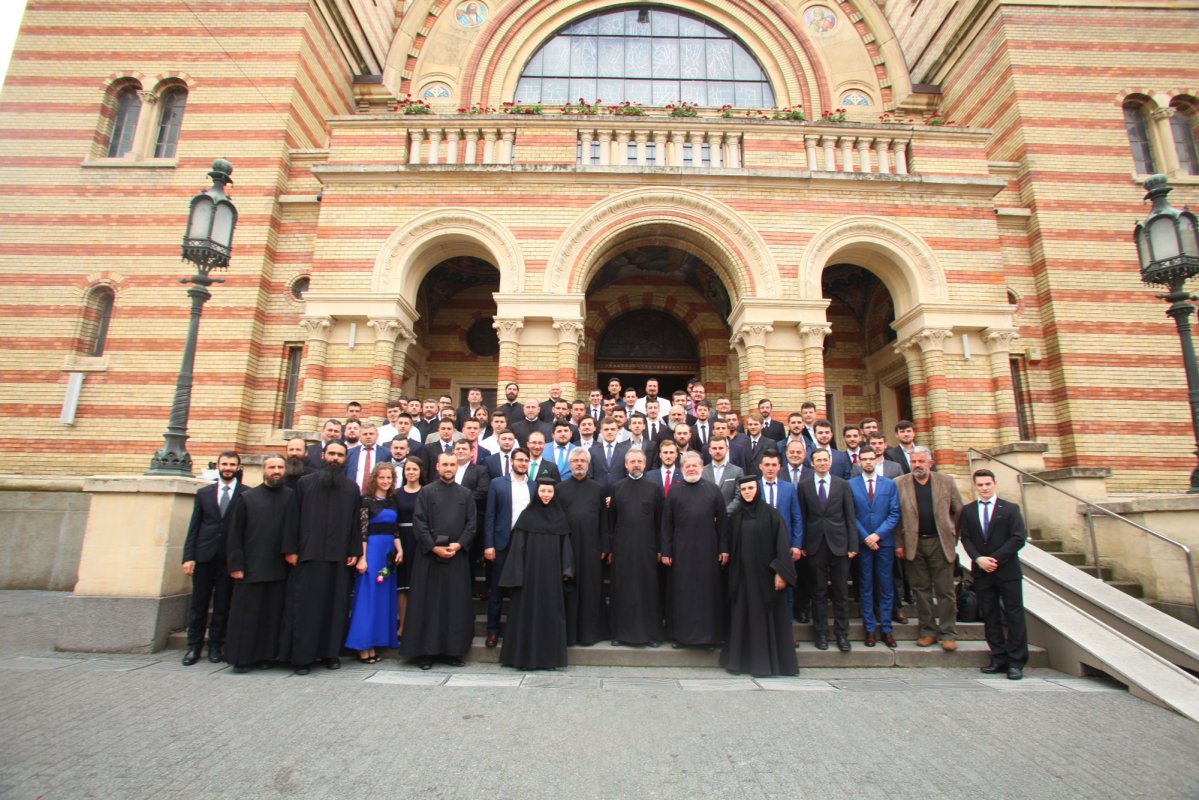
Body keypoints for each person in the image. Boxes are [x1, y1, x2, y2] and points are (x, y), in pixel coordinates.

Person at [280, 441, 362, 674]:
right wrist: (291, 549)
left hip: (338, 558)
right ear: (323, 455)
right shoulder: (305, 484)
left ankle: (330, 654)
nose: (336, 458)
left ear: (345, 459)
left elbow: (356, 523)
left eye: (340, 455)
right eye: (332, 454)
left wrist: (354, 551)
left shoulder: (351, 488)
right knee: (306, 608)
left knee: (335, 608)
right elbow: (293, 519)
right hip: (309, 555)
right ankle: (302, 658)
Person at [400, 452, 477, 670]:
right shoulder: (426, 492)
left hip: (456, 557)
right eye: (445, 464)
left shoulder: (466, 493)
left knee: (455, 605)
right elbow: (419, 522)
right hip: (430, 558)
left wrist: (459, 545)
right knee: (428, 605)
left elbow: (472, 524)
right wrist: (433, 547)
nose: (449, 468)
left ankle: (454, 651)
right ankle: (426, 652)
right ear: (437, 466)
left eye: (452, 465)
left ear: (457, 467)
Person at [721, 475, 799, 677]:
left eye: (751, 488)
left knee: (764, 620)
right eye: (744, 489)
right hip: (742, 578)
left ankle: (766, 664)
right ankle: (741, 663)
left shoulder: (771, 515)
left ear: (758, 489)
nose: (748, 492)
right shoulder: (737, 516)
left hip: (765, 579)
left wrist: (781, 573)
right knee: (742, 618)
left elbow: (781, 546)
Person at [224, 454, 294, 673]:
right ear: (264, 470)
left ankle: (266, 655)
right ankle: (242, 658)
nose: (276, 471)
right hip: (251, 567)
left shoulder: (292, 496)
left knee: (272, 615)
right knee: (247, 615)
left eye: (280, 467)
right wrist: (236, 566)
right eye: (272, 467)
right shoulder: (247, 497)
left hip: (278, 567)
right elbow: (234, 534)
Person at [497, 476, 575, 670]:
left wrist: (567, 570)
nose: (546, 495)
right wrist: (516, 574)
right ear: (537, 492)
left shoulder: (560, 517)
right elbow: (517, 548)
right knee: (526, 614)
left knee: (550, 615)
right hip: (528, 577)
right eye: (543, 491)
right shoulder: (527, 516)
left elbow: (565, 546)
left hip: (551, 577)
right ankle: (522, 657)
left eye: (550, 491)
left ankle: (549, 659)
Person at [959, 469, 1028, 680]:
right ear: (975, 487)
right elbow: (966, 538)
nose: (984, 488)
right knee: (990, 615)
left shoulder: (1010, 509)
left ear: (994, 484)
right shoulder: (968, 511)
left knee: (1014, 615)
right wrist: (979, 559)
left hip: (1007, 571)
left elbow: (1018, 538)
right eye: (980, 485)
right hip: (982, 572)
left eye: (987, 484)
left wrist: (995, 559)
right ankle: (998, 657)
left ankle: (1016, 661)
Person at [181, 451, 248, 666]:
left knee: (223, 604)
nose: (228, 468)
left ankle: (216, 645)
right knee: (199, 603)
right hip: (204, 555)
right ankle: (193, 646)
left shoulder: (246, 494)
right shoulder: (204, 493)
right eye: (224, 464)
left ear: (239, 467)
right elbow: (194, 527)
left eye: (232, 464)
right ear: (218, 466)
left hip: (229, 558)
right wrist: (188, 556)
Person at [894, 446, 964, 651]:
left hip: (940, 543)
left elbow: (959, 511)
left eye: (921, 461)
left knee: (945, 590)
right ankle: (927, 631)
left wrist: (953, 535)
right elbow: (895, 517)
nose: (917, 465)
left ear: (930, 463)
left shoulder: (946, 482)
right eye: (914, 461)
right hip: (913, 544)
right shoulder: (900, 483)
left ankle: (948, 632)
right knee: (921, 590)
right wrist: (899, 543)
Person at [660, 452, 729, 648]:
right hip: (681, 550)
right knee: (683, 592)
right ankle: (682, 637)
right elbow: (666, 523)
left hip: (709, 548)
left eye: (695, 465)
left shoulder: (713, 490)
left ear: (701, 467)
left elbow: (723, 523)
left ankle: (709, 637)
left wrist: (724, 548)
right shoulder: (674, 492)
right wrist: (666, 551)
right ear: (681, 469)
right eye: (687, 466)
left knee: (708, 593)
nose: (691, 469)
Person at [796, 448, 858, 653]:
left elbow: (850, 516)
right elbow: (802, 518)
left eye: (825, 460)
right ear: (811, 464)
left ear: (830, 462)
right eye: (818, 460)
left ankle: (842, 635)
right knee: (819, 592)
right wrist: (803, 544)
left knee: (840, 593)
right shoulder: (804, 486)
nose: (822, 463)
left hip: (840, 545)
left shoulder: (842, 485)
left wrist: (852, 544)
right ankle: (821, 633)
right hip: (815, 545)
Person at [344, 462, 403, 664]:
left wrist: (400, 549)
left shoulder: (392, 502)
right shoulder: (366, 501)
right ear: (374, 479)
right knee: (367, 599)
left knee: (382, 600)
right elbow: (362, 531)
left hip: (388, 552)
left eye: (389, 478)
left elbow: (394, 529)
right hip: (371, 552)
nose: (385, 481)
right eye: (382, 478)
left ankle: (375, 642)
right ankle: (362, 645)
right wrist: (362, 557)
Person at [608, 448, 664, 647]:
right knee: (622, 590)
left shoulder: (653, 487)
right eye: (632, 462)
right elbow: (611, 520)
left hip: (647, 548)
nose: (636, 465)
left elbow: (660, 521)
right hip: (622, 548)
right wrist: (611, 548)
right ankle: (620, 634)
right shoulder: (617, 487)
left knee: (648, 590)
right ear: (626, 465)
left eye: (639, 461)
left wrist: (660, 548)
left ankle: (650, 635)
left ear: (645, 463)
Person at [849, 450, 901, 648]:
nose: (868, 462)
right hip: (863, 544)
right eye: (864, 459)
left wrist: (878, 535)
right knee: (866, 585)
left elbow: (895, 513)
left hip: (884, 542)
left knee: (886, 586)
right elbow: (851, 514)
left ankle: (886, 629)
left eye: (872, 459)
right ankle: (870, 628)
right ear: (859, 462)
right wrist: (866, 536)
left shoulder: (889, 484)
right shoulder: (851, 485)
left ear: (878, 460)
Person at [556, 448, 609, 646]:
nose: (579, 464)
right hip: (568, 547)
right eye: (575, 461)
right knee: (569, 588)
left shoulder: (598, 488)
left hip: (592, 547)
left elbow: (604, 519)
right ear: (570, 465)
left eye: (583, 461)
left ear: (588, 464)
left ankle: (590, 634)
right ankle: (569, 634)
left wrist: (605, 545)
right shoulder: (560, 489)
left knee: (591, 589)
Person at [483, 448, 534, 648]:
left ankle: (519, 631)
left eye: (526, 461)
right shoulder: (498, 484)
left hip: (525, 543)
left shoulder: (534, 485)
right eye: (519, 460)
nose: (522, 463)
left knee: (522, 589)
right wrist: (489, 544)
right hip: (502, 542)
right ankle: (492, 631)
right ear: (512, 462)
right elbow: (490, 515)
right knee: (496, 590)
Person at [394, 457, 423, 643]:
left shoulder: (426, 492)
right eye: (408, 469)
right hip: (401, 540)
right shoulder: (396, 494)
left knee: (417, 584)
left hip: (419, 538)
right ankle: (403, 625)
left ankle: (417, 625)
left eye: (414, 469)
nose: (411, 472)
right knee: (402, 586)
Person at [702, 436, 743, 512]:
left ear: (727, 450)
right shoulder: (702, 472)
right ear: (709, 450)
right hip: (707, 517)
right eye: (714, 448)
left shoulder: (737, 471)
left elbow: (739, 497)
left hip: (729, 519)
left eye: (721, 448)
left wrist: (723, 514)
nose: (717, 451)